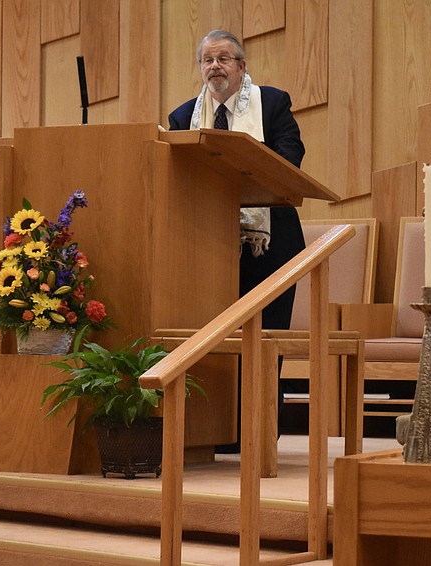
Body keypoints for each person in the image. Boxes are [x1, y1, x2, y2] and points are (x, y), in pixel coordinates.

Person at [169, 29, 305, 452]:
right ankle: (219, 431)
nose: (215, 66)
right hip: (208, 248)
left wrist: (241, 169)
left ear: (242, 66)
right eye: (207, 60)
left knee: (264, 341)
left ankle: (259, 432)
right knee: (214, 342)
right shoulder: (182, 117)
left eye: (224, 58)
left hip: (270, 247)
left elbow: (291, 158)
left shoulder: (273, 103)